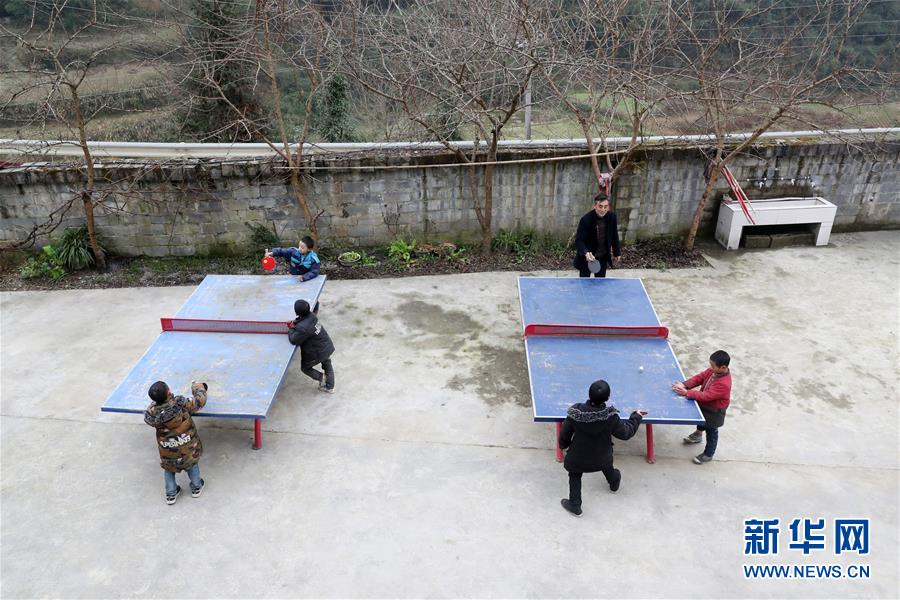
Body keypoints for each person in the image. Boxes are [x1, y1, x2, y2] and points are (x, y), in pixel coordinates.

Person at [558, 380, 644, 517]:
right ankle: (614, 482)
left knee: (574, 474)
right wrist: (636, 417)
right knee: (607, 466)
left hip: (577, 459)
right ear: (608, 398)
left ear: (589, 394)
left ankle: (575, 505)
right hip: (602, 458)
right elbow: (626, 433)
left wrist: (563, 446)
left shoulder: (576, 412)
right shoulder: (611, 416)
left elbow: (564, 435)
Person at [144, 380, 208, 505]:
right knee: (191, 463)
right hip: (188, 447)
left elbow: (153, 411)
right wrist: (198, 387)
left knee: (169, 468)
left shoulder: (152, 414)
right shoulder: (180, 404)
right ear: (169, 392)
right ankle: (196, 487)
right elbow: (199, 401)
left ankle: (171, 494)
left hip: (168, 450)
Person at [673, 350, 732, 465]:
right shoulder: (712, 371)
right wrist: (685, 384)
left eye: (713, 366)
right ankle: (697, 435)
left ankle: (708, 454)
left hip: (715, 411)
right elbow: (699, 378)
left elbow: (706, 396)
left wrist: (687, 393)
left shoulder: (724, 384)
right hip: (705, 405)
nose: (710, 367)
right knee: (701, 420)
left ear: (723, 367)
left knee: (711, 430)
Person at [288, 299, 335, 393]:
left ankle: (321, 378)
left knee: (305, 368)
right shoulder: (312, 315)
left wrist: (291, 328)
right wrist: (295, 323)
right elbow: (302, 322)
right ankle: (330, 387)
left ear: (296, 312)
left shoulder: (303, 328)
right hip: (326, 345)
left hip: (318, 351)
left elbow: (294, 340)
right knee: (327, 363)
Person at [573, 192, 622, 278]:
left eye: (605, 207)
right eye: (600, 206)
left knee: (600, 282)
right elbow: (579, 240)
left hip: (602, 257)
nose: (603, 210)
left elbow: (614, 235)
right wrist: (585, 252)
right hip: (587, 258)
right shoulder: (586, 220)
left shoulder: (612, 217)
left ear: (608, 207)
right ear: (595, 206)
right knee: (585, 283)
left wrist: (616, 252)